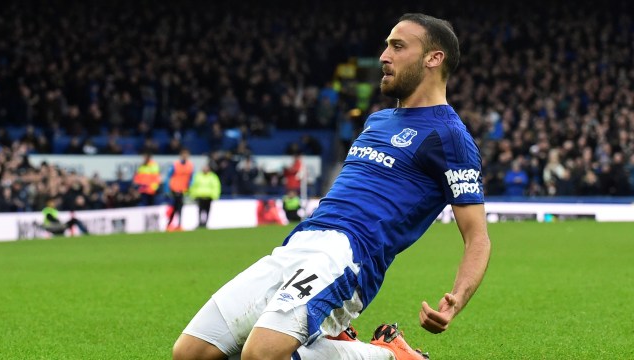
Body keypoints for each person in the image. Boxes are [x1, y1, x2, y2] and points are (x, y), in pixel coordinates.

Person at [173, 13, 491, 360]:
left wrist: (457, 299)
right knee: (191, 353)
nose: (384, 56)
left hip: (349, 254)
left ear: (434, 58)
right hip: (299, 243)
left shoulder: (450, 137)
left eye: (398, 46)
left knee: (261, 355)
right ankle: (342, 341)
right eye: (386, 45)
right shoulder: (378, 119)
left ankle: (391, 357)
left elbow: (478, 237)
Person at [166, 148, 194, 231]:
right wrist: (168, 189)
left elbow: (191, 178)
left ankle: (179, 225)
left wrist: (189, 187)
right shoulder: (175, 165)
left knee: (180, 207)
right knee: (175, 207)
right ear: (181, 156)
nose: (185, 156)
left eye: (186, 154)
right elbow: (169, 176)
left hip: (183, 190)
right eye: (183, 154)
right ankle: (169, 224)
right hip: (174, 189)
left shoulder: (190, 165)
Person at [189, 163, 221, 229]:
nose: (205, 169)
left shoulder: (213, 176)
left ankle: (205, 223)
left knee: (207, 210)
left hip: (209, 196)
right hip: (199, 196)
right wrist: (193, 195)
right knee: (200, 211)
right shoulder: (197, 176)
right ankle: (200, 223)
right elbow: (193, 186)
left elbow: (216, 186)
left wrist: (215, 195)